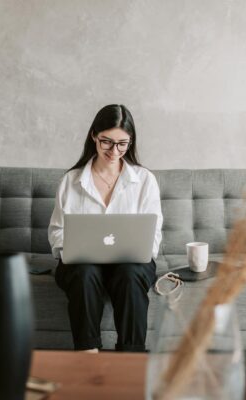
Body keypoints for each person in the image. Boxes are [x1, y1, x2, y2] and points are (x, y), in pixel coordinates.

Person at [48, 104, 163, 353]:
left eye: (123, 143)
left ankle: (131, 358)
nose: (114, 151)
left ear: (131, 142)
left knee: (130, 275)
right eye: (107, 142)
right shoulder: (71, 181)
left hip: (131, 264)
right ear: (93, 136)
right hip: (82, 265)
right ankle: (87, 354)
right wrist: (73, 247)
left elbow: (152, 235)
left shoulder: (145, 180)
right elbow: (56, 232)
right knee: (84, 274)